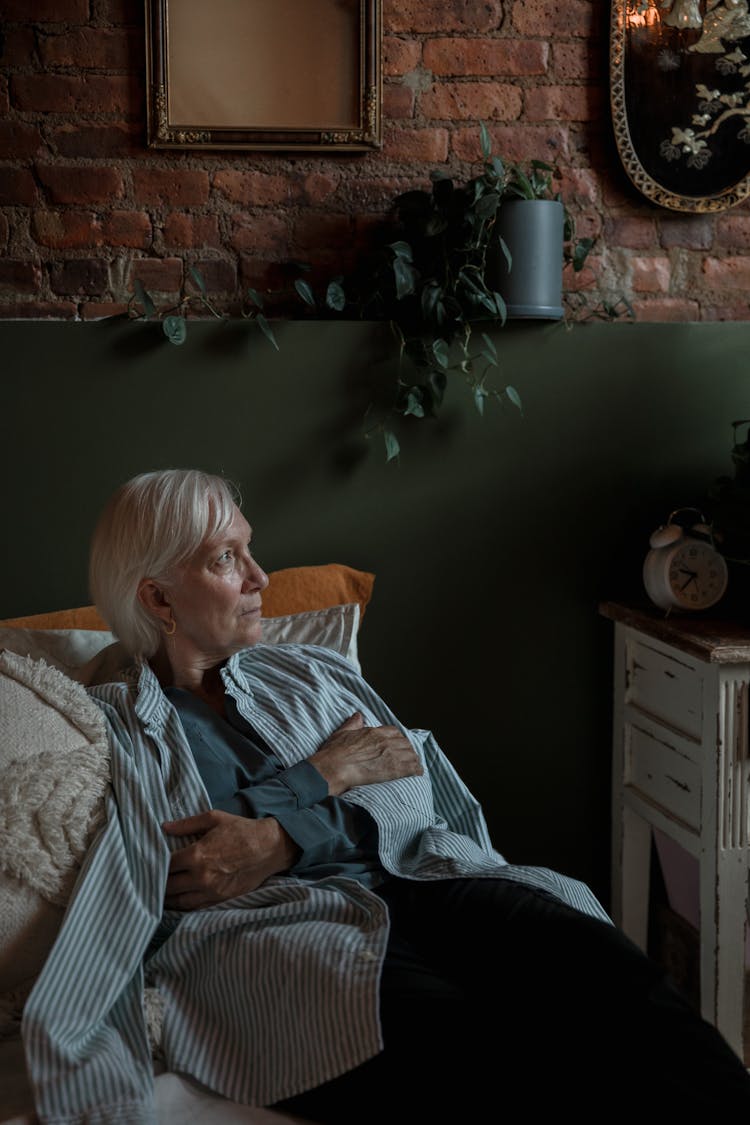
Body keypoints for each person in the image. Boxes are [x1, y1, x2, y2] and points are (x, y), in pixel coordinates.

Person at [22, 469, 750, 1124]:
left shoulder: (308, 670)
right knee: (483, 1056)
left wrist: (280, 836)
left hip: (420, 875)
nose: (260, 576)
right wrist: (323, 774)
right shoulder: (119, 721)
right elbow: (194, 870)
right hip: (282, 934)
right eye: (225, 558)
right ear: (156, 595)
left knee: (614, 981)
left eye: (250, 549)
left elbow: (408, 774)